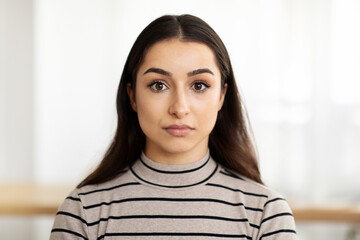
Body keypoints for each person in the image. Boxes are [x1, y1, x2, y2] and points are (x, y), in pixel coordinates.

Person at [50, 14, 296, 240]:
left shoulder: (266, 213)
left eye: (199, 85)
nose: (179, 108)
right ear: (132, 95)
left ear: (222, 96)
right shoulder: (82, 210)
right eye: (158, 85)